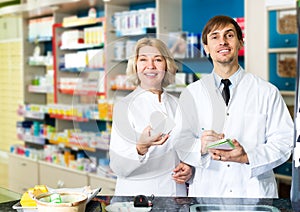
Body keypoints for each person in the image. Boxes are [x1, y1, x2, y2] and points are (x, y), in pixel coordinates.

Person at [177, 15, 294, 198]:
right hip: (208, 192)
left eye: (229, 35)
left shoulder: (266, 91)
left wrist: (247, 156)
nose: (222, 42)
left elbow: (284, 142)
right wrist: (200, 146)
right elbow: (181, 141)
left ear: (240, 43)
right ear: (206, 48)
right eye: (215, 37)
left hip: (253, 194)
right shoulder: (191, 94)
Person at [109, 37, 193, 197]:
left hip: (176, 195)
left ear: (166, 65)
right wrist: (140, 148)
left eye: (157, 59)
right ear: (135, 66)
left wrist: (189, 168)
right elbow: (117, 166)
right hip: (139, 198)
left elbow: (186, 150)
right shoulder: (124, 107)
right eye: (143, 60)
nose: (150, 66)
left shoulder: (178, 105)